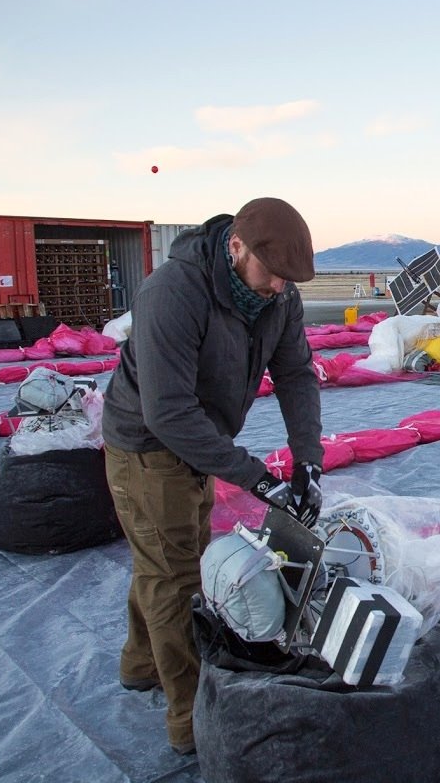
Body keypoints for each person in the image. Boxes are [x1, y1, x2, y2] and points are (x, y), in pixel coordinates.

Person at [101, 197, 325, 755]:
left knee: (166, 554)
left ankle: (139, 664)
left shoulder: (278, 298)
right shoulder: (173, 291)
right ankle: (190, 719)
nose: (278, 286)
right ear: (236, 246)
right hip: (149, 447)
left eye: (288, 279)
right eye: (271, 273)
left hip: (202, 441)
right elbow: (169, 412)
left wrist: (307, 460)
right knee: (176, 580)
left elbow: (296, 374)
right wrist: (255, 477)